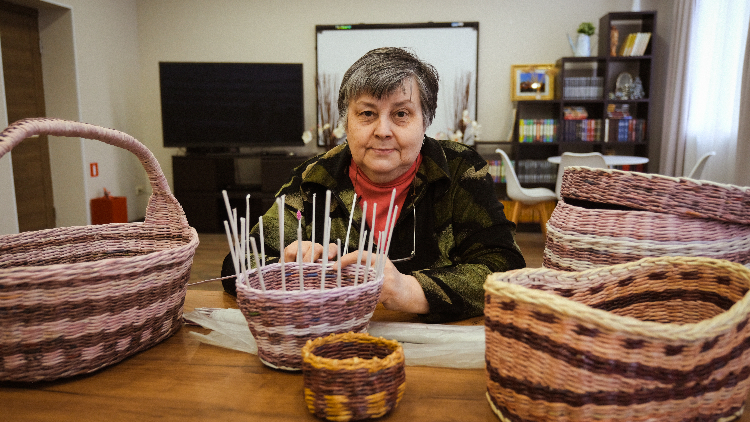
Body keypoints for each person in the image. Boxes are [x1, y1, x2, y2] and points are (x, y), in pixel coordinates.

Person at [221, 47, 525, 323]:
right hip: (333, 343)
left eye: (401, 114)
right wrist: (285, 270)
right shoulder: (314, 179)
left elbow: (505, 268)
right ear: (345, 122)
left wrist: (409, 290)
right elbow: (236, 267)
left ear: (426, 120)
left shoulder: (461, 170)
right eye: (367, 113)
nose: (383, 131)